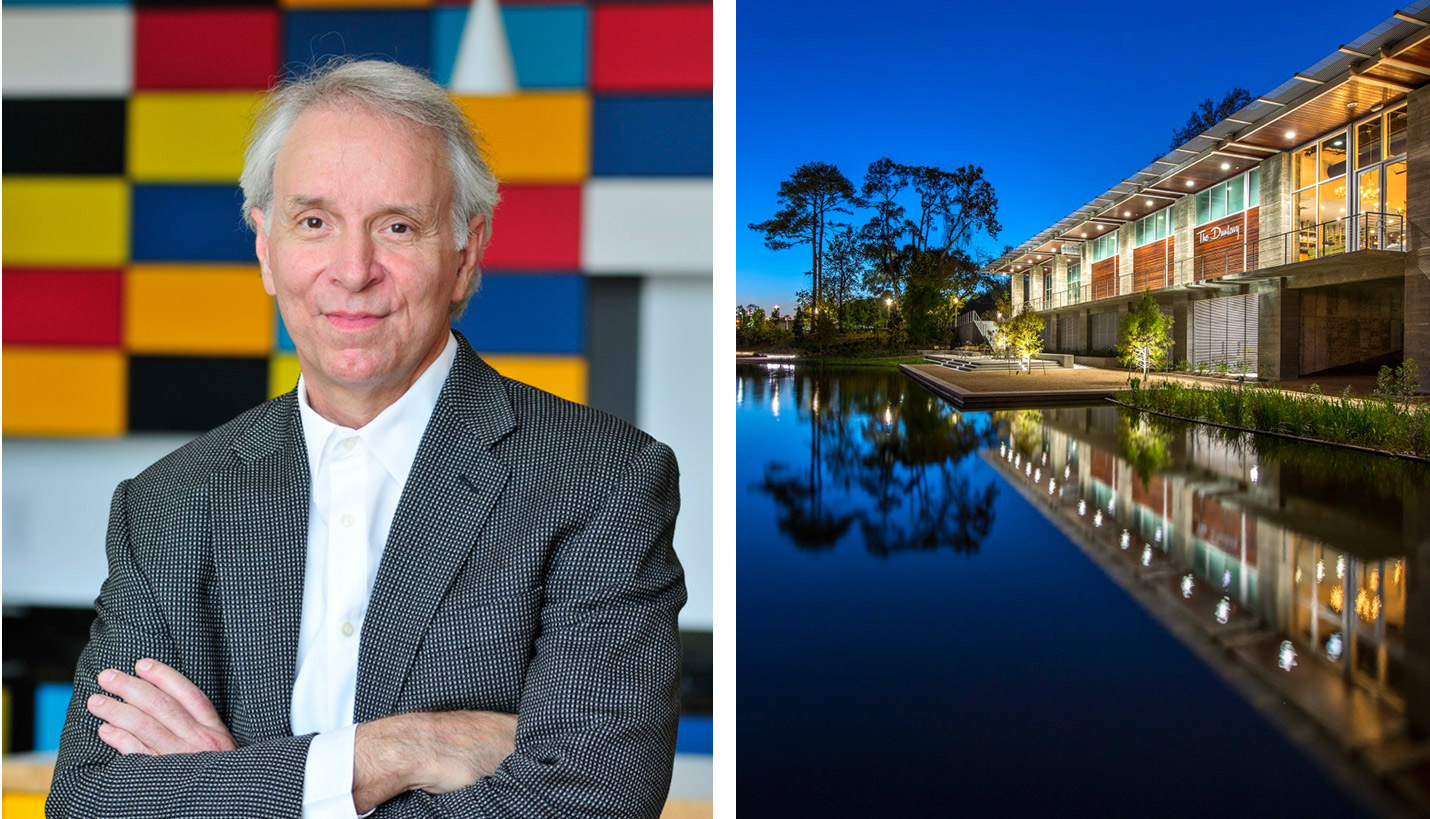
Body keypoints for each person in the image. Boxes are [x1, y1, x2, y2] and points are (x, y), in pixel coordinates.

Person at [47, 59, 686, 819]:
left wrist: (234, 788)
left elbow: (592, 803)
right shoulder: (166, 506)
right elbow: (90, 800)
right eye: (313, 222)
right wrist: (395, 750)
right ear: (265, 246)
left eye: (397, 226)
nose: (352, 271)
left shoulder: (601, 481)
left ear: (466, 250)